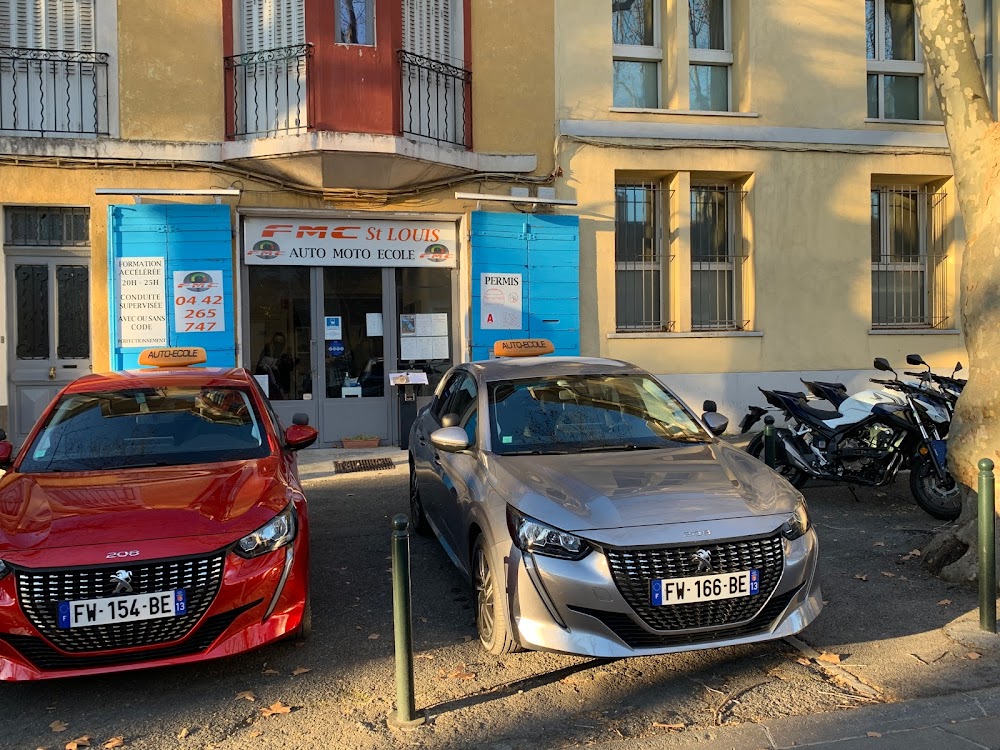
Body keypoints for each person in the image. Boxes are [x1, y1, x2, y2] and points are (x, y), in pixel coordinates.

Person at [256, 332, 296, 399]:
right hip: (270, 381)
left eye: (280, 341)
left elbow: (290, 367)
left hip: (283, 381)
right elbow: (260, 364)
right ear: (273, 341)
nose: (278, 343)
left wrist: (278, 367)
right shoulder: (268, 350)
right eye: (276, 341)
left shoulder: (286, 352)